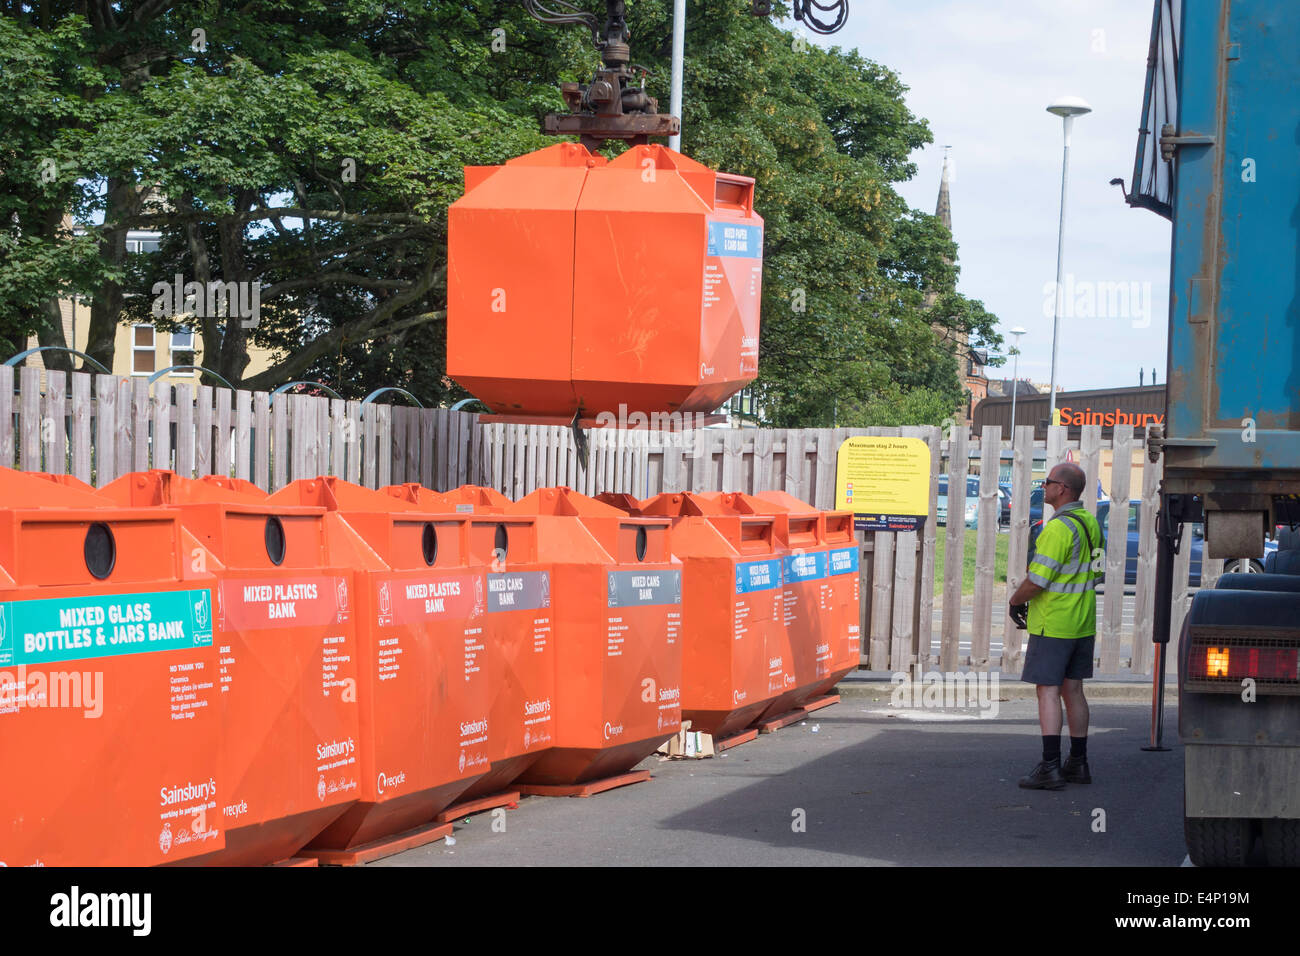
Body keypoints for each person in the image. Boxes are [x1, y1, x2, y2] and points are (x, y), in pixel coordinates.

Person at [1007, 462, 1104, 790]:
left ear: (1062, 488)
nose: (1044, 486)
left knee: (1047, 691)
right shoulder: (1091, 524)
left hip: (1054, 624)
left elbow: (1038, 580)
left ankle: (1050, 767)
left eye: (1047, 482)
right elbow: (1099, 571)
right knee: (1073, 690)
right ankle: (1078, 763)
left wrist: (1015, 601)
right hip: (1082, 621)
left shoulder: (1057, 529)